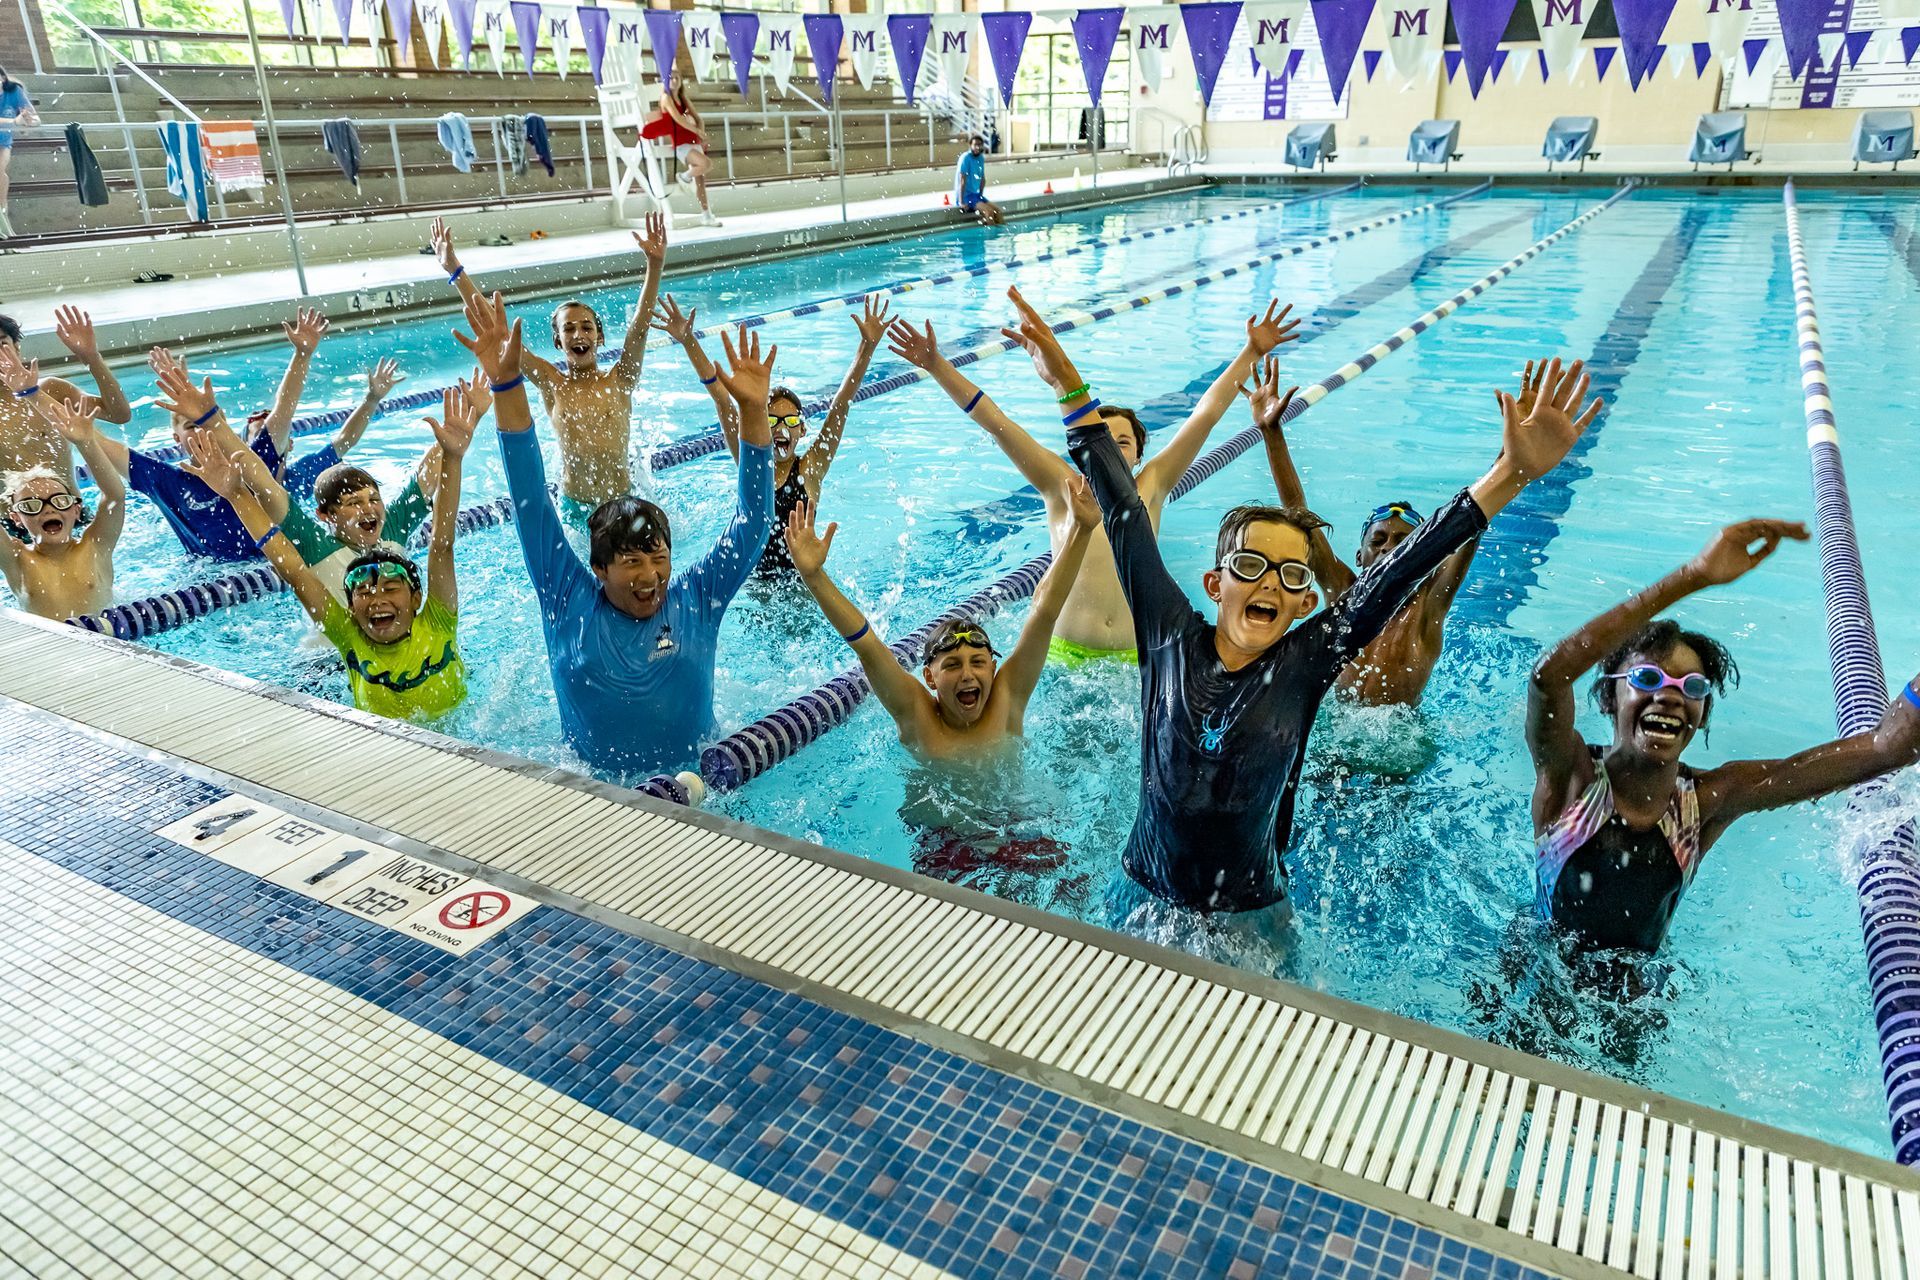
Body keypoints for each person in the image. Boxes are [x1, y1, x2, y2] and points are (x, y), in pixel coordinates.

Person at [1005, 289, 1601, 922]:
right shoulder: (1166, 635)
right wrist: (1068, 384)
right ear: (1215, 584)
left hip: (1252, 915)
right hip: (1140, 894)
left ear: (1305, 601)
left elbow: (1408, 568)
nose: (1268, 584)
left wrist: (1510, 472)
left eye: (1290, 574)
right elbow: (1123, 514)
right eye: (1250, 565)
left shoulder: (1310, 659)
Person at [1528, 520, 1920, 954]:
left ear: (1701, 716)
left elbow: (1888, 746)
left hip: (1636, 1006)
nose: (1670, 697)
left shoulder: (1708, 801)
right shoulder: (1572, 780)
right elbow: (1548, 679)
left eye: (1691, 687)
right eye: (1647, 678)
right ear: (1609, 696)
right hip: (1533, 981)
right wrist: (1691, 576)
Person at [886, 291, 1301, 665]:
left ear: (1139, 455)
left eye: (1124, 441)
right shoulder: (1059, 484)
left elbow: (1205, 415)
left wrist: (1250, 352)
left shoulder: (1151, 486)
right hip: (1064, 655)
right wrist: (938, 367)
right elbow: (995, 422)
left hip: (1132, 655)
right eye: (1106, 439)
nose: (1115, 447)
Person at [491, 285, 775, 776]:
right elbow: (532, 503)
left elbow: (754, 522)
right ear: (598, 568)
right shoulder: (567, 600)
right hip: (592, 804)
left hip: (698, 795)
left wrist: (753, 414)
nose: (651, 575)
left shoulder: (696, 599)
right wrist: (505, 386)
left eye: (658, 557)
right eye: (632, 561)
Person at [179, 376, 483, 724]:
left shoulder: (393, 529)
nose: (369, 509)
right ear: (326, 515)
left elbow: (433, 499)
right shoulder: (315, 544)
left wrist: (461, 431)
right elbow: (263, 484)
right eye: (354, 503)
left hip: (399, 642)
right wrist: (214, 422)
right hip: (331, 660)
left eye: (373, 499)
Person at [1251, 355, 1531, 707]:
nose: (1389, 548)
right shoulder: (1341, 591)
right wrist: (1271, 432)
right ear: (1360, 556)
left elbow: (1474, 515)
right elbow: (1298, 513)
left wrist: (1512, 451)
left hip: (1400, 752)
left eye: (1403, 541)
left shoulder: (1430, 602)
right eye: (1379, 540)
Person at [784, 476, 1098, 761]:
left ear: (993, 667)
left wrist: (1082, 530)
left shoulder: (1007, 697)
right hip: (935, 827)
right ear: (929, 677)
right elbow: (867, 647)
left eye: (977, 662)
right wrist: (814, 577)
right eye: (951, 665)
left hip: (1011, 823)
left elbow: (1044, 613)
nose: (967, 674)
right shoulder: (916, 713)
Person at [435, 213, 667, 506]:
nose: (578, 334)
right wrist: (454, 270)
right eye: (568, 329)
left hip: (621, 500)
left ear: (600, 337)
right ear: (558, 341)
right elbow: (497, 330)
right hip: (574, 505)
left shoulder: (620, 380)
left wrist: (655, 265)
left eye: (586, 327)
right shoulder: (551, 383)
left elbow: (639, 328)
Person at [92, 343, 402, 562]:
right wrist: (60, 412)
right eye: (190, 426)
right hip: (210, 581)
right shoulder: (169, 482)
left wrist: (303, 355)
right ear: (176, 438)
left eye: (206, 422)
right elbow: (109, 450)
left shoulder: (265, 466)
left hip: (273, 567)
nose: (200, 431)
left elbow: (289, 413)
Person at [655, 292, 890, 576]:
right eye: (772, 419)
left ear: (802, 430)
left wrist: (867, 347)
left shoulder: (810, 469)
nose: (781, 427)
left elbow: (841, 402)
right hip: (755, 582)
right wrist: (688, 341)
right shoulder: (750, 463)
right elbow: (723, 401)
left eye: (790, 420)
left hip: (800, 580)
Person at [0, 398, 125, 619]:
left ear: (76, 510)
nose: (48, 510)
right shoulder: (15, 559)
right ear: (17, 518)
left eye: (59, 501)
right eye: (31, 505)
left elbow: (115, 496)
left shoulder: (94, 547)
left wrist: (86, 443)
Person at [0, 307, 133, 486]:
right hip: (9, 514)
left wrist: (92, 359)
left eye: (2, 344)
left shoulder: (51, 389)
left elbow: (119, 414)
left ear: (16, 346)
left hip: (72, 510)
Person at [641, 73, 718, 226]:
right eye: (671, 78)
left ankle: (706, 215)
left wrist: (700, 134)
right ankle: (683, 177)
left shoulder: (683, 98)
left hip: (693, 140)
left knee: (701, 181)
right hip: (682, 144)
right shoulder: (666, 98)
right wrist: (697, 131)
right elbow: (678, 120)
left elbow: (698, 118)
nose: (674, 81)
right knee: (706, 164)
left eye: (677, 78)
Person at [0, 65, 37, 234]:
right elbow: (14, 122)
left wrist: (27, 121)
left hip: (3, 142)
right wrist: (15, 122)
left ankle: (2, 211)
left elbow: (35, 118)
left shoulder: (14, 92)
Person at [953, 135, 1003, 226]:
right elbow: (962, 181)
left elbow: (982, 179)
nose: (977, 147)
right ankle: (991, 237)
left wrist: (980, 196)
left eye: (979, 145)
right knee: (989, 213)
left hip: (976, 195)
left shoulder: (980, 158)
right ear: (970, 145)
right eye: (975, 144)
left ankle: (1001, 233)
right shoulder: (965, 158)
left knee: (998, 212)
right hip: (966, 196)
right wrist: (961, 202)